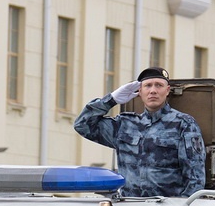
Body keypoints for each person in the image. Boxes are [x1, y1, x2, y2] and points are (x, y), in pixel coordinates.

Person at [74, 67, 205, 197]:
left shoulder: (183, 124)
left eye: (159, 85)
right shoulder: (125, 124)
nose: (153, 90)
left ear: (167, 90)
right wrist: (111, 99)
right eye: (148, 86)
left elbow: (195, 176)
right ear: (140, 91)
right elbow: (82, 124)